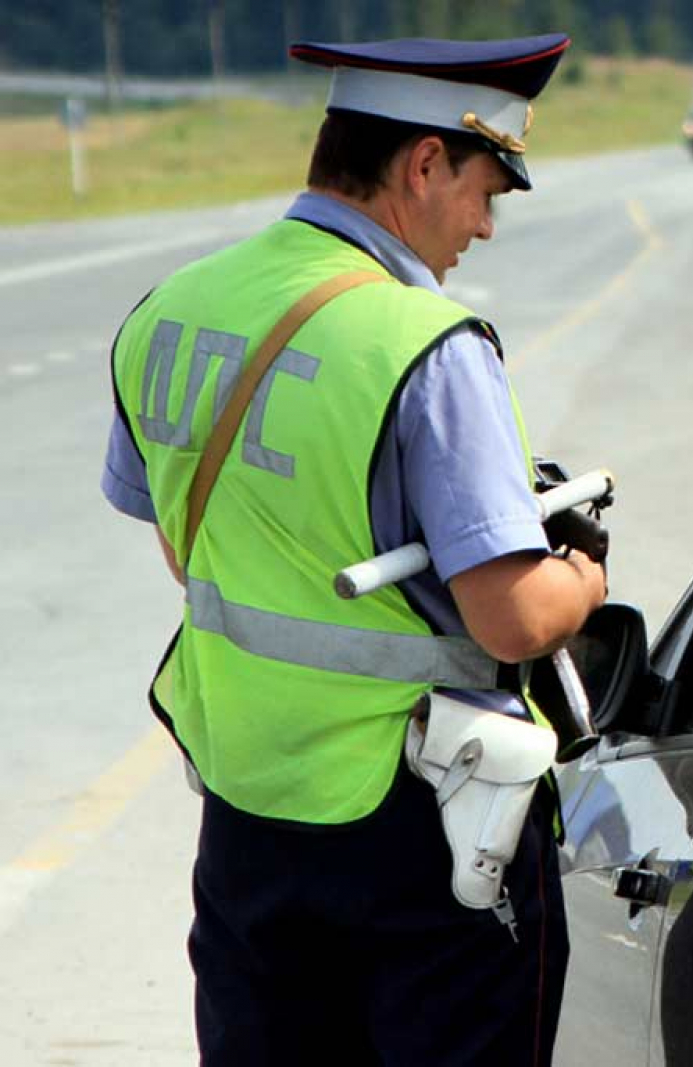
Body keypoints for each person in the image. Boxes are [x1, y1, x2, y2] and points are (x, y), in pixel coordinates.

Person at [99, 32, 605, 1066]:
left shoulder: (172, 305)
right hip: (419, 827)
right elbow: (508, 614)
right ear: (424, 164)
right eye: (484, 189)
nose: (485, 226)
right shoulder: (426, 340)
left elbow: (191, 548)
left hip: (247, 811)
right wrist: (583, 578)